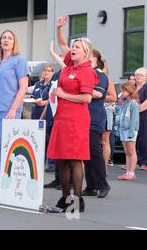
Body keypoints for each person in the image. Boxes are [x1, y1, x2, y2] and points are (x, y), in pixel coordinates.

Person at [47, 16, 98, 212]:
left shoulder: (85, 70)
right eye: (73, 45)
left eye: (77, 46)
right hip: (62, 117)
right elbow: (61, 43)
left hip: (76, 119)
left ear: (86, 53)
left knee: (75, 159)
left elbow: (87, 98)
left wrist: (63, 94)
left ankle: (77, 200)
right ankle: (65, 197)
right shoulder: (70, 65)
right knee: (61, 158)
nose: (72, 48)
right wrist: (60, 27)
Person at [0, 30, 29, 201]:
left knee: (9, 149)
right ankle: (4, 187)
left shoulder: (19, 61)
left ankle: (12, 188)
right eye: (3, 37)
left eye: (9, 38)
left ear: (14, 42)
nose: (6, 40)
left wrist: (13, 109)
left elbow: (23, 87)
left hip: (8, 108)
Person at [83, 49, 111, 199]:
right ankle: (92, 186)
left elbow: (98, 93)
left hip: (94, 118)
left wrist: (80, 88)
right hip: (83, 117)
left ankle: (103, 184)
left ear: (93, 59)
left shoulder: (100, 75)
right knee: (85, 153)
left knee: (94, 152)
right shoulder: (86, 73)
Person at [116, 81, 140, 180]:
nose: (122, 92)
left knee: (131, 151)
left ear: (129, 91)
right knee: (127, 151)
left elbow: (134, 119)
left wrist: (131, 132)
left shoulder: (133, 103)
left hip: (130, 131)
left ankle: (131, 172)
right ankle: (127, 172)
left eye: (123, 90)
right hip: (123, 130)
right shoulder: (125, 102)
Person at [102, 61, 117, 168]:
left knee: (104, 141)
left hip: (106, 111)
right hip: (95, 111)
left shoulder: (107, 79)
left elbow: (113, 98)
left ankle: (104, 167)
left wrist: (99, 95)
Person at [135, 67, 147, 170]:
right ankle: (133, 161)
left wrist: (135, 111)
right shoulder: (133, 87)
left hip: (144, 117)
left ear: (145, 77)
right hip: (132, 118)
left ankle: (143, 162)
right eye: (137, 75)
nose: (138, 77)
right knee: (133, 139)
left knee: (143, 140)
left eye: (141, 75)